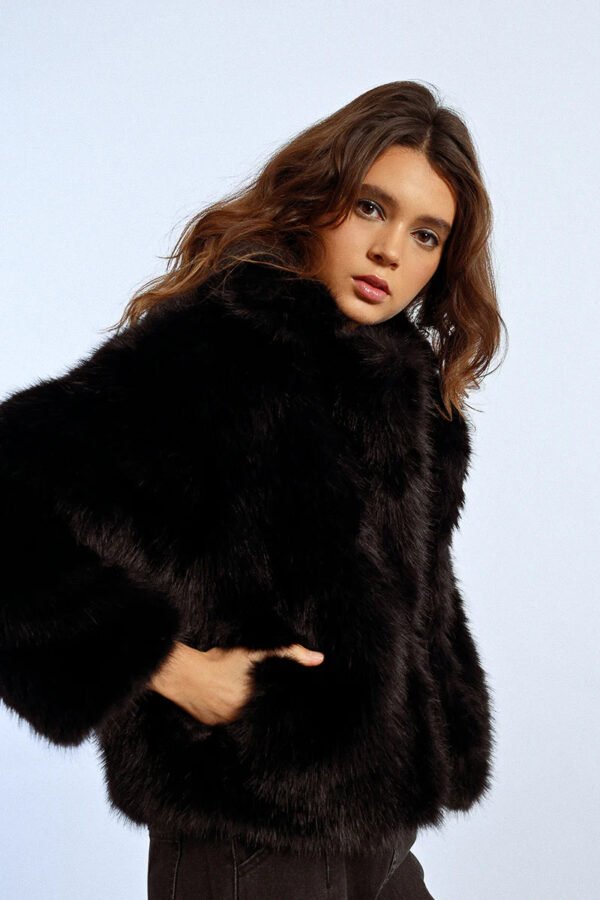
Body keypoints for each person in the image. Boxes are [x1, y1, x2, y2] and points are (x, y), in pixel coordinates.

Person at [0, 80, 503, 899]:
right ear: (317, 201)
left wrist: (441, 712)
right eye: (370, 208)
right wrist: (176, 670)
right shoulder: (214, 354)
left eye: (425, 234)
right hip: (246, 843)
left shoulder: (410, 395)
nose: (390, 252)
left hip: (379, 841)